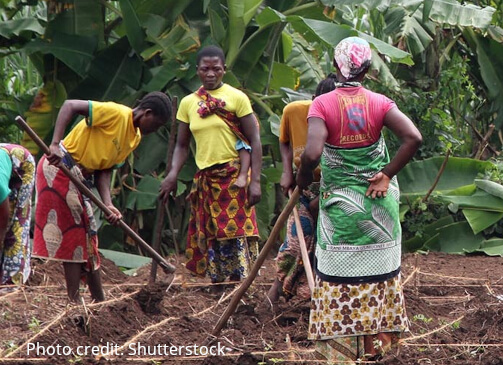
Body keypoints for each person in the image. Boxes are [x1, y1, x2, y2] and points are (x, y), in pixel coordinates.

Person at [296, 37, 422, 362]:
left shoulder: (322, 104)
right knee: (380, 283)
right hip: (380, 211)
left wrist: (303, 176)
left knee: (340, 283)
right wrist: (387, 173)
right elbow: (413, 137)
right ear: (367, 68)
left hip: (343, 216)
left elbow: (311, 153)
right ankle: (378, 355)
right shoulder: (380, 102)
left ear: (336, 66)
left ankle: (343, 360)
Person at [34, 92, 174, 303]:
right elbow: (70, 105)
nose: (154, 131)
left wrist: (108, 204)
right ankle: (75, 302)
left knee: (89, 237)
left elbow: (105, 170)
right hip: (60, 168)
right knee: (76, 235)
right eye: (155, 125)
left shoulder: (134, 138)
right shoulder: (116, 113)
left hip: (81, 179)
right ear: (147, 113)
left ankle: (98, 300)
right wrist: (54, 144)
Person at [159, 46, 264, 285]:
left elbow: (254, 140)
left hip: (234, 175)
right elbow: (182, 145)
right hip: (206, 179)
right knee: (214, 232)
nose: (210, 74)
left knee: (235, 233)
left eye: (216, 69)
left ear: (224, 70)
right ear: (197, 71)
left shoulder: (237, 98)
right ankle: (219, 282)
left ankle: (240, 286)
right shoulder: (188, 103)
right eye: (205, 69)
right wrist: (173, 174)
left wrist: (255, 180)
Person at [267, 74, 337, 308]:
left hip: (333, 192)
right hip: (302, 189)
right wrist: (287, 171)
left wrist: (322, 199)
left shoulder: (342, 122)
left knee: (323, 248)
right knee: (295, 244)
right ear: (314, 100)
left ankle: (308, 300)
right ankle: (275, 295)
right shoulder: (294, 111)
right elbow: (284, 141)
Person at [0, 143, 35, 292]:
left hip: (21, 164)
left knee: (16, 227)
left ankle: (10, 286)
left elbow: (3, 216)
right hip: (4, 161)